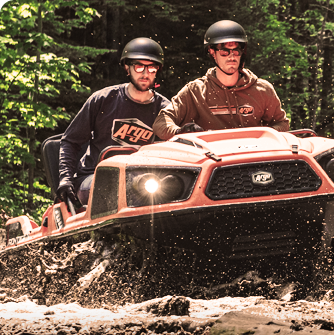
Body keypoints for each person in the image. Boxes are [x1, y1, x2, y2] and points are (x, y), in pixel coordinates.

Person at [56, 37, 170, 207]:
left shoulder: (166, 110)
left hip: (144, 184)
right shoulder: (103, 100)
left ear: (157, 71)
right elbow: (70, 142)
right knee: (116, 186)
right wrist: (65, 179)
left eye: (151, 68)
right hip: (93, 178)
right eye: (139, 66)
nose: (145, 73)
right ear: (127, 67)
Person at [153, 20, 290, 140]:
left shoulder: (262, 89)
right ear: (212, 53)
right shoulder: (195, 91)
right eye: (225, 51)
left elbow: (282, 124)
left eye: (236, 51)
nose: (232, 57)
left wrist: (263, 136)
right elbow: (161, 122)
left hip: (253, 160)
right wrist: (180, 132)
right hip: (212, 161)